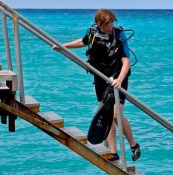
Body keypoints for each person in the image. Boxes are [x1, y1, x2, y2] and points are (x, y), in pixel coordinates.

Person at [53, 9, 141, 162]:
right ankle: (113, 151)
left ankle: (133, 145)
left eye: (112, 23)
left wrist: (119, 79)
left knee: (115, 115)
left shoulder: (118, 34)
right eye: (107, 25)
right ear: (99, 24)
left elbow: (126, 60)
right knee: (105, 114)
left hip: (118, 77)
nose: (110, 27)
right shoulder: (93, 32)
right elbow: (83, 41)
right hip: (101, 77)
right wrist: (63, 46)